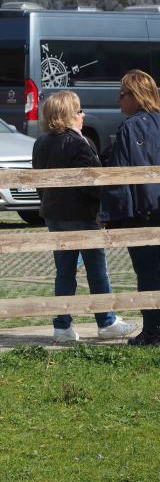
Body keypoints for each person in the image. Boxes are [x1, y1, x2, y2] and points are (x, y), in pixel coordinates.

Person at [32, 90, 134, 343]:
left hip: (53, 215)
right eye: (78, 110)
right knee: (97, 270)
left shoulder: (41, 142)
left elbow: (38, 181)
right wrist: (103, 208)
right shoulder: (80, 143)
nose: (83, 114)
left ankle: (62, 326)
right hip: (81, 214)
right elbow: (93, 182)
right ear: (68, 115)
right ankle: (106, 321)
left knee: (64, 271)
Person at [99, 70, 160, 345]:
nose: (118, 101)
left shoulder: (130, 128)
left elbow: (119, 177)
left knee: (148, 273)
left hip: (143, 215)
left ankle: (152, 331)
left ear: (135, 96)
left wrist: (109, 216)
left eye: (121, 95)